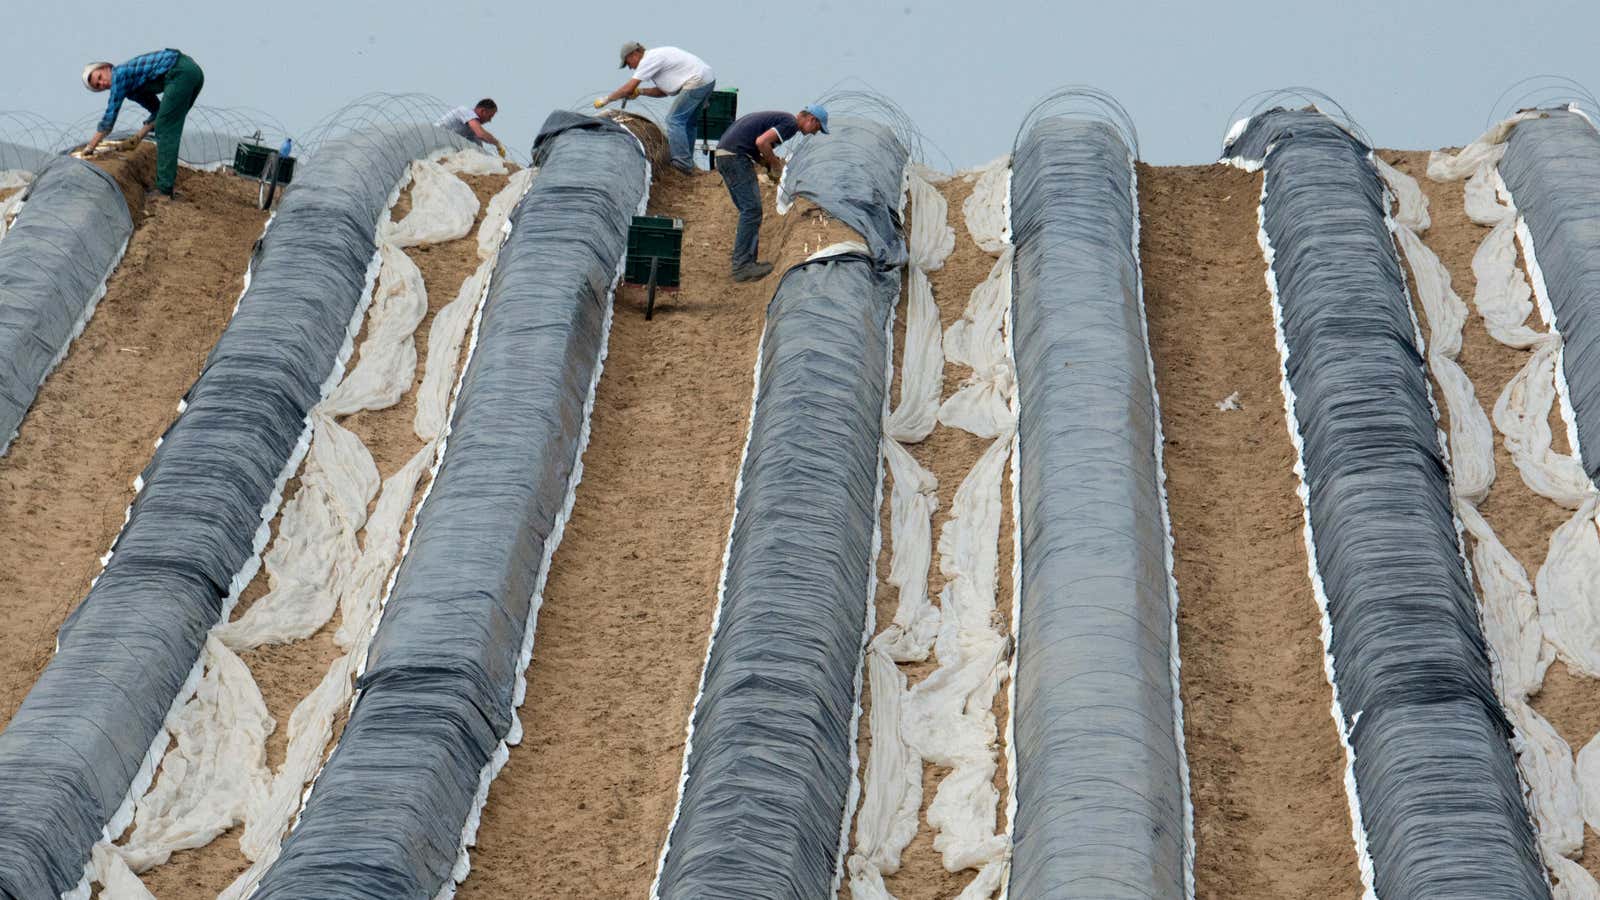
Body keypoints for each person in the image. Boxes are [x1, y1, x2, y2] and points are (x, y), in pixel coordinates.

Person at [714, 104, 828, 282]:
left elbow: (754, 143)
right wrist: (775, 165)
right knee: (751, 211)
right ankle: (743, 266)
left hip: (725, 155)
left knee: (748, 211)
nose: (815, 133)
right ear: (811, 119)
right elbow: (761, 142)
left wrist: (765, 163)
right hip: (735, 158)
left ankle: (744, 262)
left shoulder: (780, 118)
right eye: (818, 128)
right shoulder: (790, 123)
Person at [81, 49, 204, 201]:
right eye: (98, 86)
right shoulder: (133, 89)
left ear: (106, 67)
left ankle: (164, 191)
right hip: (192, 73)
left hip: (180, 72)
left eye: (100, 77)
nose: (103, 83)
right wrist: (138, 137)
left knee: (166, 129)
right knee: (166, 124)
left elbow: (109, 119)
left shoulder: (119, 74)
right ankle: (167, 188)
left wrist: (90, 147)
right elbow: (157, 111)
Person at [596, 42, 715, 175]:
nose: (630, 68)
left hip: (697, 81)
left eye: (628, 63)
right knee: (688, 123)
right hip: (707, 79)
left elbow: (628, 88)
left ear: (634, 54)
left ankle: (682, 164)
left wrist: (607, 99)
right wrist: (640, 91)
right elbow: (664, 91)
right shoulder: (656, 58)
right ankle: (687, 161)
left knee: (674, 120)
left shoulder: (647, 60)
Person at [437, 99, 508, 159]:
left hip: (441, 147)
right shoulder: (465, 111)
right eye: (490, 116)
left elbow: (480, 153)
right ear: (483, 111)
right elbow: (481, 134)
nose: (489, 120)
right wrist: (498, 144)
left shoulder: (471, 131)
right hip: (434, 136)